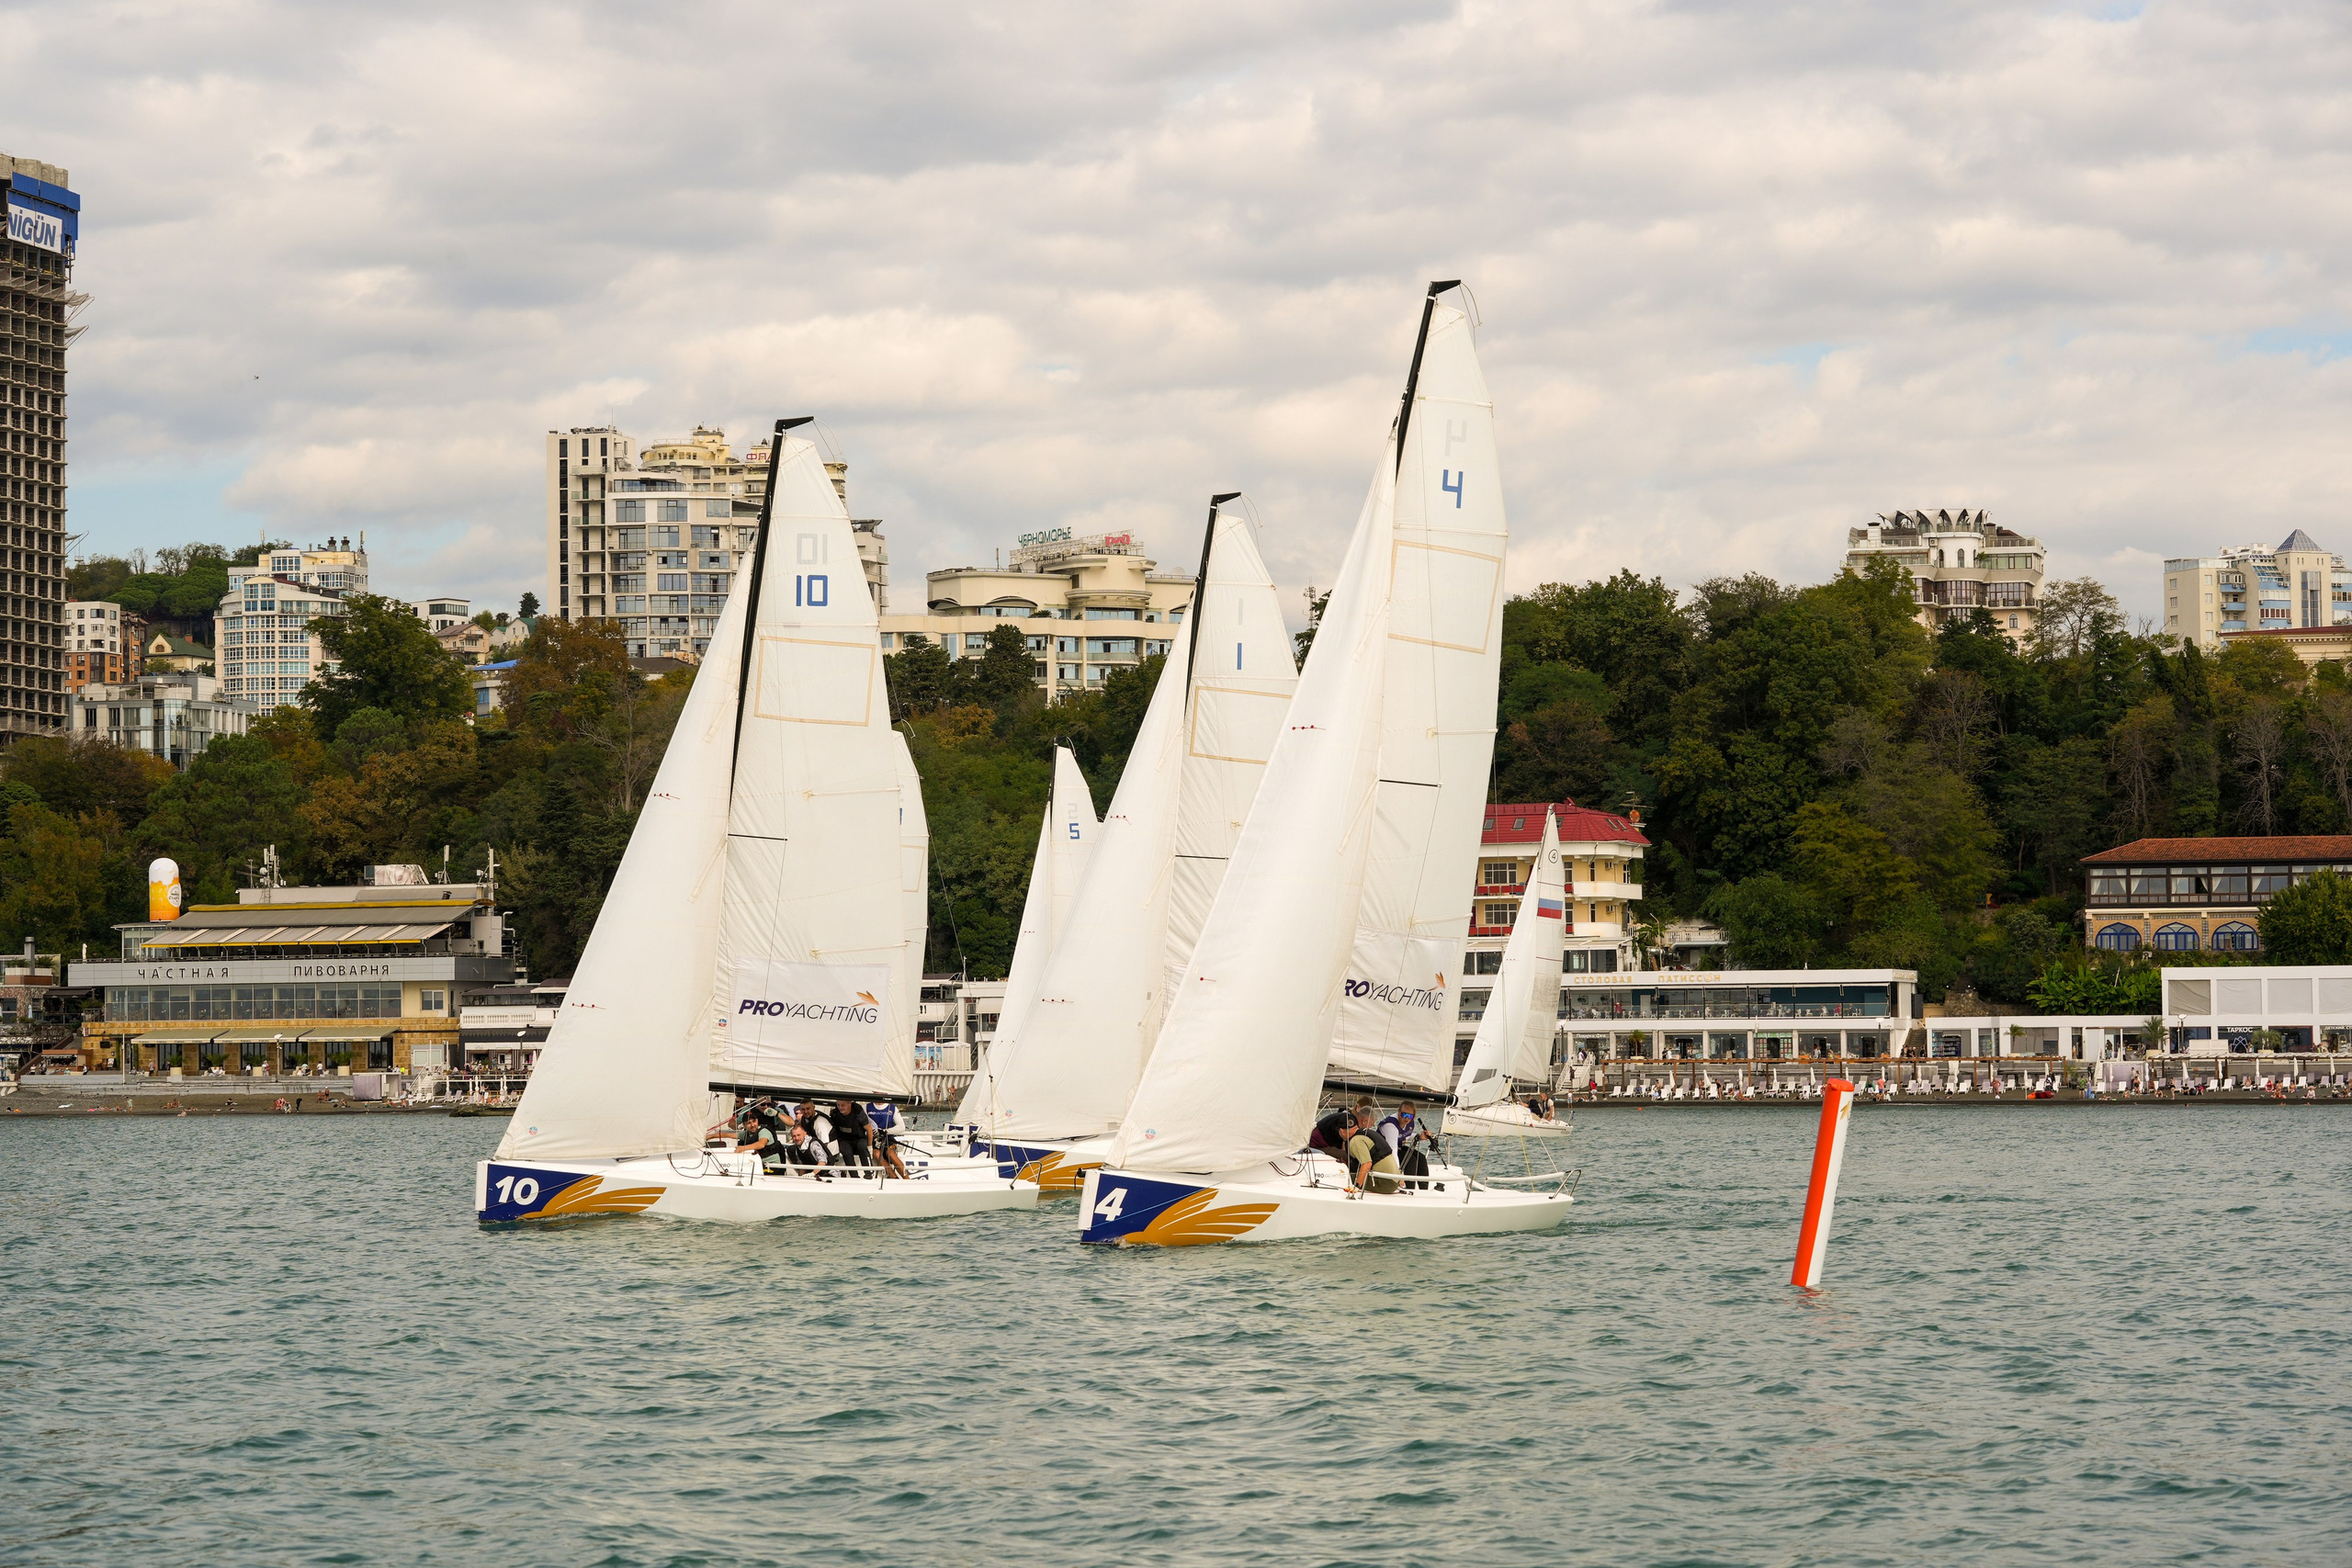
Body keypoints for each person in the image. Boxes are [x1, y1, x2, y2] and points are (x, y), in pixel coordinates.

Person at [1377, 1100, 1438, 1183]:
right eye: (1404, 1115)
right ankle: (1410, 1188)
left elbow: (1406, 1136)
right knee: (1411, 1160)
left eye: (1410, 1116)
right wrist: (1398, 1174)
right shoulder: (1390, 1125)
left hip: (1398, 1147)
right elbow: (1393, 1150)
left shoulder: (1409, 1122)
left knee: (1421, 1158)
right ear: (1399, 1112)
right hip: (1384, 1151)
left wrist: (1419, 1136)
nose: (1407, 1118)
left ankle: (1424, 1189)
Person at [1345, 1112, 1402, 1196]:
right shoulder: (1369, 1135)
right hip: (1396, 1180)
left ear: (1342, 1130)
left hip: (1385, 1182)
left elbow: (1367, 1164)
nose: (1371, 1127)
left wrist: (1357, 1186)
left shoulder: (1356, 1141)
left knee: (1344, 1177)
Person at [1310, 1098, 1374, 1159]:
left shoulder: (1348, 1116)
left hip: (1320, 1141)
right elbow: (1345, 1140)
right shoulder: (1350, 1120)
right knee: (1349, 1157)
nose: (1370, 1127)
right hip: (1318, 1145)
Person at [865, 1100, 910, 1179]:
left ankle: (907, 1179)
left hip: (887, 1137)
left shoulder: (892, 1108)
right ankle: (894, 1177)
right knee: (876, 1153)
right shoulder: (866, 1107)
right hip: (873, 1139)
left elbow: (901, 1127)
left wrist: (885, 1131)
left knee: (890, 1153)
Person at [832, 1099, 875, 1168]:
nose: (840, 1108)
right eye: (838, 1105)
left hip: (858, 1138)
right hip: (844, 1139)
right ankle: (854, 1176)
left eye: (843, 1105)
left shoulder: (858, 1112)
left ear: (849, 1103)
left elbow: (869, 1129)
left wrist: (870, 1147)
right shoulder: (835, 1113)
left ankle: (868, 1172)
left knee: (862, 1147)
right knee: (846, 1152)